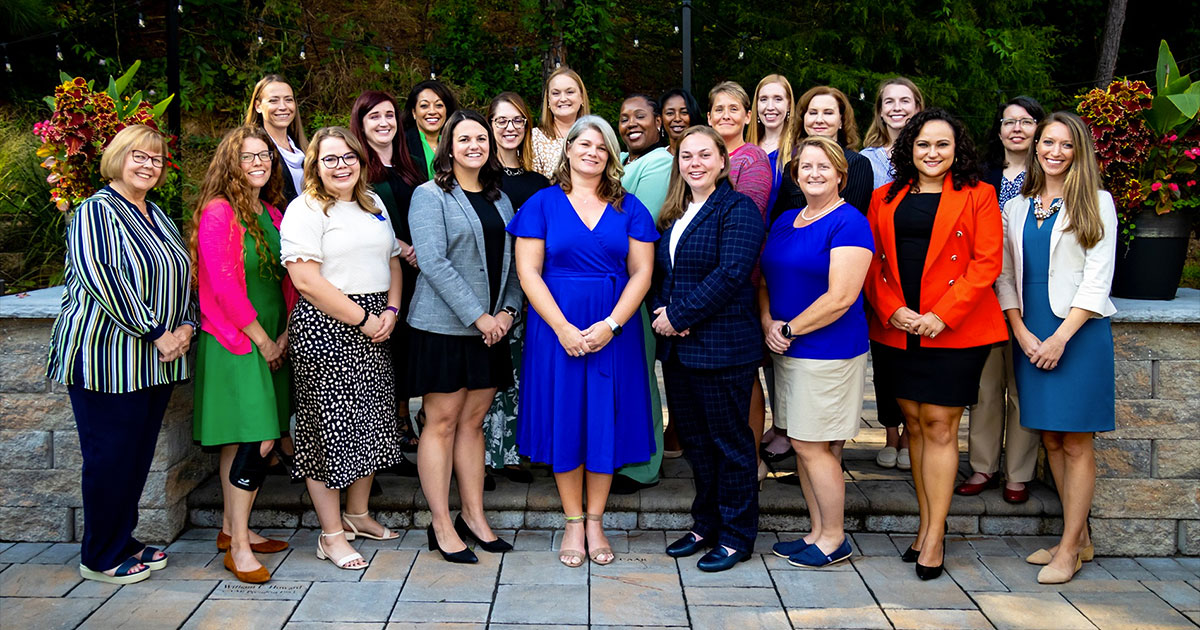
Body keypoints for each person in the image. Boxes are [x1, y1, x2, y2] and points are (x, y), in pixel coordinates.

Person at [864, 109, 1007, 580]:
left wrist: (940, 316)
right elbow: (871, 261)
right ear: (909, 148)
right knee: (915, 425)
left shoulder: (980, 195)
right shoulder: (883, 195)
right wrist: (892, 310)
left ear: (956, 149)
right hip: (898, 327)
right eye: (923, 144)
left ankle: (936, 535)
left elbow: (986, 264)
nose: (932, 153)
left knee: (942, 427)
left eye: (942, 145)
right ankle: (926, 527)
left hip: (955, 327)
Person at [47, 124, 193, 585]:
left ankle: (122, 538)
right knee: (110, 456)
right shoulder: (95, 212)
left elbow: (183, 274)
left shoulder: (158, 214)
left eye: (156, 159)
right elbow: (101, 277)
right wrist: (156, 331)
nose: (148, 165)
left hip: (152, 363)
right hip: (105, 360)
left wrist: (189, 324)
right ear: (118, 158)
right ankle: (100, 555)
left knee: (134, 455)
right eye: (139, 156)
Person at [509, 116, 658, 568]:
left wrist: (611, 325)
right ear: (568, 149)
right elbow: (528, 272)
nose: (592, 152)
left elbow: (643, 273)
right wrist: (562, 328)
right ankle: (573, 521)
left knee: (604, 421)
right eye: (584, 144)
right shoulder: (541, 203)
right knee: (567, 420)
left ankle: (596, 521)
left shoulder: (628, 207)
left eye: (601, 147)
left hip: (614, 330)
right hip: (556, 330)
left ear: (611, 156)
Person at [996, 112, 1117, 584]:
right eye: (1048, 142)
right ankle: (1078, 536)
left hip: (1078, 334)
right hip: (1030, 332)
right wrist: (1022, 332)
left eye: (1066, 145)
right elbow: (1005, 275)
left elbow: (1097, 278)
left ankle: (1069, 550)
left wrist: (1060, 338)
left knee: (1075, 440)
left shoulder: (1097, 202)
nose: (1054, 152)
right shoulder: (1019, 206)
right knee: (1049, 438)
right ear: (1036, 145)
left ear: (1079, 151)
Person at [280, 127, 405, 571]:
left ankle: (358, 515)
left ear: (361, 160)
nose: (341, 166)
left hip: (376, 322)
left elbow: (392, 259)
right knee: (325, 434)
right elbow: (307, 281)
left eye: (348, 156)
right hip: (326, 328)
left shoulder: (373, 205)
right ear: (314, 164)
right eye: (330, 159)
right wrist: (365, 318)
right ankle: (331, 535)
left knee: (369, 426)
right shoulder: (306, 209)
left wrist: (391, 309)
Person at [407, 110, 523, 562]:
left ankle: (474, 516)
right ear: (448, 147)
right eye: (465, 138)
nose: (475, 144)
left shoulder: (500, 200)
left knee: (473, 424)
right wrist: (480, 317)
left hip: (493, 329)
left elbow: (515, 263)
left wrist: (509, 311)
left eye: (481, 137)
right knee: (441, 423)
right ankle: (440, 523)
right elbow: (433, 262)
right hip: (445, 328)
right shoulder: (429, 195)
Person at [656, 126, 765, 573]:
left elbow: (731, 273)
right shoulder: (676, 213)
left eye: (705, 154)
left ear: (723, 161)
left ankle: (737, 535)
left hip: (723, 349)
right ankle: (706, 525)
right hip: (681, 353)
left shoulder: (737, 209)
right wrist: (665, 309)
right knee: (699, 446)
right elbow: (667, 273)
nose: (695, 163)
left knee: (731, 445)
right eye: (686, 156)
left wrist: (678, 317)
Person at [761, 136, 874, 568]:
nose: (813, 173)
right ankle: (817, 532)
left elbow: (841, 297)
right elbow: (766, 280)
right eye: (805, 166)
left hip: (828, 350)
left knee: (811, 446)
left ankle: (835, 538)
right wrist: (769, 322)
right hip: (788, 348)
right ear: (795, 173)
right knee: (807, 444)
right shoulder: (787, 220)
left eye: (824, 166)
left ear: (841, 175)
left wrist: (789, 327)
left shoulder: (849, 223)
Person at [190, 126, 295, 584]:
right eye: (248, 156)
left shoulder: (271, 211)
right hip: (237, 340)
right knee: (258, 439)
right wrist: (263, 339)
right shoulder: (218, 212)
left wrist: (287, 332)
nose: (259, 163)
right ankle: (237, 549)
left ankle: (235, 527)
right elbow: (225, 286)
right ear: (229, 163)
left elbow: (287, 277)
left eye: (265, 156)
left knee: (239, 439)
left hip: (274, 333)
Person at [956, 96, 1047, 504]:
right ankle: (982, 466)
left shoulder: (1052, 176)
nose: (1017, 129)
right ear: (998, 131)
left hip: (1034, 296)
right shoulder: (980, 177)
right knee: (987, 387)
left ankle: (1019, 473)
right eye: (1009, 122)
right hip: (984, 295)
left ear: (1039, 130)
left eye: (1026, 121)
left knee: (1021, 386)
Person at [350, 91, 425, 467]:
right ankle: (392, 429)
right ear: (361, 124)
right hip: (380, 270)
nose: (384, 123)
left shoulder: (410, 164)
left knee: (411, 349)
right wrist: (398, 244)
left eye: (390, 116)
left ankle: (407, 419)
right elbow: (353, 214)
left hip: (418, 273)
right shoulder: (357, 166)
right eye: (374, 117)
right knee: (386, 351)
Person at [483, 92, 550, 486]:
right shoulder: (476, 175)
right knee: (487, 375)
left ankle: (513, 452)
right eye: (501, 120)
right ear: (489, 126)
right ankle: (482, 456)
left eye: (518, 121)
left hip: (530, 291)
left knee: (520, 373)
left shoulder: (538, 183)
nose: (510, 128)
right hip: (488, 287)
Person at [858, 77, 925, 470]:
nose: (897, 107)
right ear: (880, 110)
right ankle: (890, 433)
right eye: (889, 101)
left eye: (905, 100)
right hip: (879, 264)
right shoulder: (867, 159)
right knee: (885, 352)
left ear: (917, 106)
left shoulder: (929, 153)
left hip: (919, 265)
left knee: (915, 354)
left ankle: (915, 433)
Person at [612, 93, 673, 495]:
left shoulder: (661, 163)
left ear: (659, 123)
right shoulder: (623, 160)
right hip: (608, 285)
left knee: (638, 375)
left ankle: (644, 464)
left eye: (640, 116)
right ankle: (617, 454)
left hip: (637, 285)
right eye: (623, 117)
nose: (631, 123)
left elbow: (637, 223)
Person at [771, 86, 874, 225]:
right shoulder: (792, 166)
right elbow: (778, 219)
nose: (819, 120)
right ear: (804, 119)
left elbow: (849, 220)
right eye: (813, 113)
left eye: (828, 113)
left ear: (841, 121)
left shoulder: (857, 163)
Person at [707, 81, 772, 217]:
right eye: (719, 110)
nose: (726, 116)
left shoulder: (754, 158)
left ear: (747, 117)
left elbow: (746, 215)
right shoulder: (699, 157)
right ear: (709, 118)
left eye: (734, 109)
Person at [245, 74, 308, 204]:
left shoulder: (303, 148)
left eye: (288, 100)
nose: (283, 106)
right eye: (273, 100)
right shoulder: (253, 151)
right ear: (258, 106)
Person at [747, 74, 795, 213]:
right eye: (763, 99)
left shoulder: (798, 152)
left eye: (778, 99)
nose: (770, 107)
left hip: (782, 232)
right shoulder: (744, 150)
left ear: (789, 105)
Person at [531, 67, 590, 178]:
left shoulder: (595, 136)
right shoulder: (535, 138)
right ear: (548, 100)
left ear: (582, 97)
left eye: (570, 92)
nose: (563, 99)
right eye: (556, 93)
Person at [402, 80, 458, 180]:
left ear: (447, 111)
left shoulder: (456, 141)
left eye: (439, 105)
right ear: (414, 112)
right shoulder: (402, 143)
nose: (432, 111)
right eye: (424, 106)